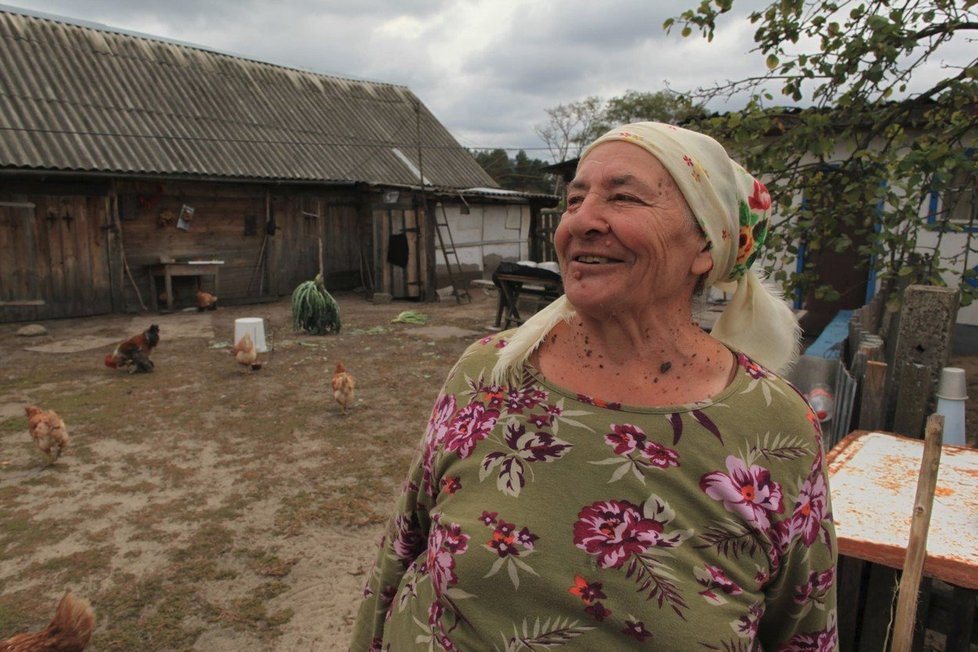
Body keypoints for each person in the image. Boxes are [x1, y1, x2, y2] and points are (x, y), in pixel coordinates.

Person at [351, 122, 838, 650]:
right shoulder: (488, 373)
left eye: (623, 197)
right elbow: (400, 552)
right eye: (575, 199)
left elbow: (804, 633)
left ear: (706, 245)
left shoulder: (773, 425)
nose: (581, 221)